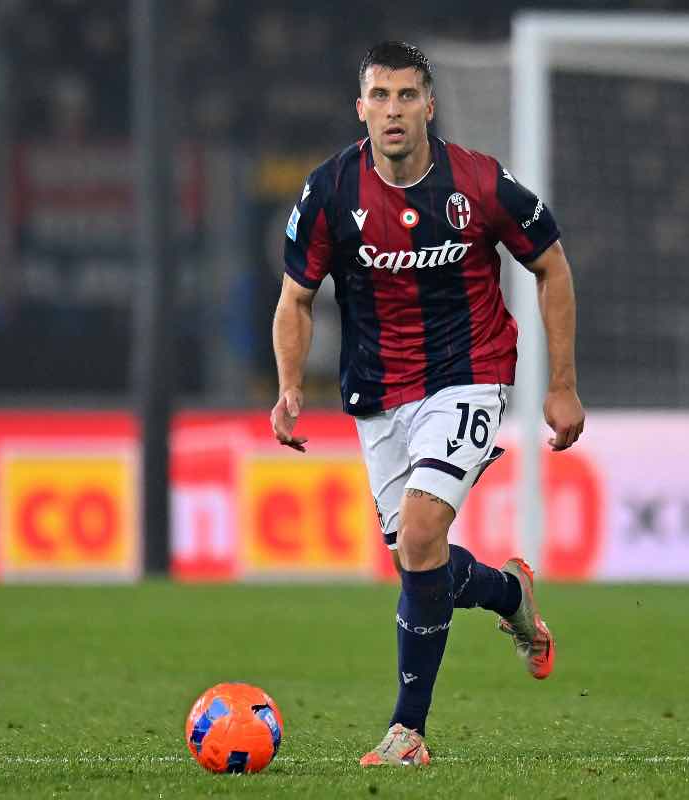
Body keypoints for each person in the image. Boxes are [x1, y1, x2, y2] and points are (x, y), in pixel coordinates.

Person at [270, 41, 584, 767]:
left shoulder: (477, 183)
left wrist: (561, 382)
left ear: (429, 106)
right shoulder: (329, 192)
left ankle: (407, 731)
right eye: (379, 97)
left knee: (417, 538)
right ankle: (509, 594)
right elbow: (295, 298)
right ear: (361, 110)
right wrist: (289, 385)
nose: (393, 111)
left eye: (407, 96)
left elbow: (551, 262)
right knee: (421, 561)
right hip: (378, 394)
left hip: (468, 372)